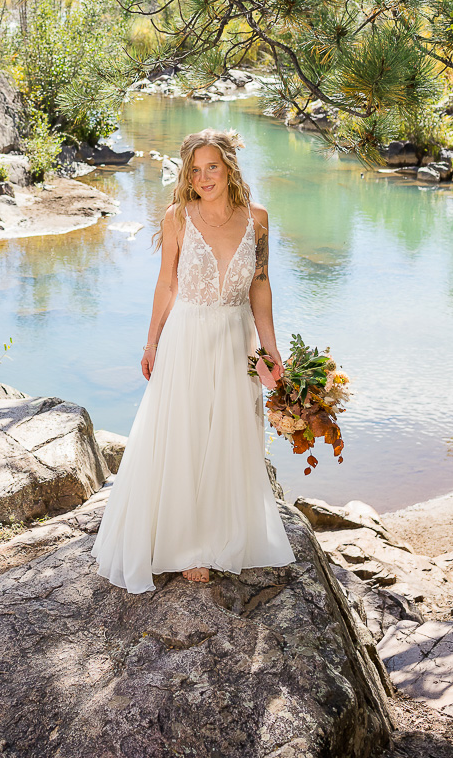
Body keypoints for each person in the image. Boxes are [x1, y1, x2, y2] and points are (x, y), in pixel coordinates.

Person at [92, 128, 296, 593]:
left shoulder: (258, 220)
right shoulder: (177, 218)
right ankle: (186, 545)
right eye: (196, 169)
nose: (205, 177)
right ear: (188, 174)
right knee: (184, 433)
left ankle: (223, 533)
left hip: (234, 336)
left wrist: (269, 347)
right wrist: (151, 343)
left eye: (213, 167)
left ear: (229, 169)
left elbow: (260, 286)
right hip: (187, 335)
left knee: (229, 432)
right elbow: (166, 285)